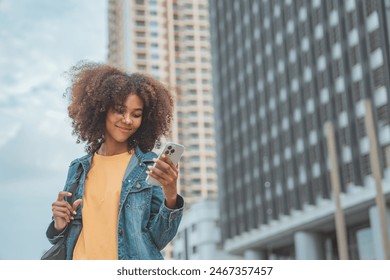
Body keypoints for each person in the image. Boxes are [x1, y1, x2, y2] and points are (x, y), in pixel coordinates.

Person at [45, 62, 184, 260]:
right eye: (120, 110)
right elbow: (64, 237)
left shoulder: (148, 166)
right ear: (101, 110)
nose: (127, 120)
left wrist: (171, 196)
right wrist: (59, 222)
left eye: (136, 114)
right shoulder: (78, 168)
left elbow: (159, 239)